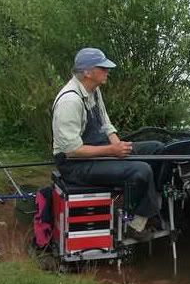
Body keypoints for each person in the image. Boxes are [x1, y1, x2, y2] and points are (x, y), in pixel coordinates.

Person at [52, 47, 164, 236]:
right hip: (75, 165)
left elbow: (105, 123)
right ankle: (133, 224)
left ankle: (148, 209)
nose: (107, 71)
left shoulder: (93, 90)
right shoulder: (69, 102)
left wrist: (119, 146)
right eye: (102, 68)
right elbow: (71, 150)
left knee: (157, 149)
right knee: (141, 169)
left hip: (98, 150)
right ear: (87, 72)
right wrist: (112, 151)